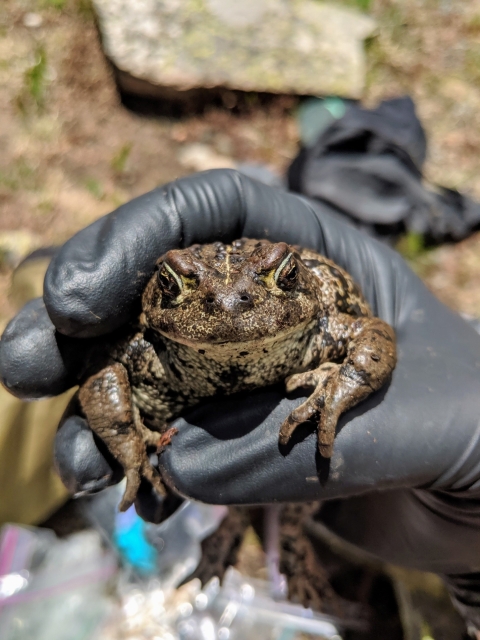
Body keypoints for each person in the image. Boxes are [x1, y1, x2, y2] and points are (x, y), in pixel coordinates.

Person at [2, 169, 480, 634]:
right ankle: (233, 533)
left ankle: (259, 539)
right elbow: (104, 375)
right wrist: (127, 440)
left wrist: (348, 381)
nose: (230, 306)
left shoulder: (323, 326)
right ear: (158, 293)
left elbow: (372, 335)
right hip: (191, 383)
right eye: (175, 285)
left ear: (297, 280)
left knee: (281, 508)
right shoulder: (147, 349)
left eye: (282, 277)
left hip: (293, 373)